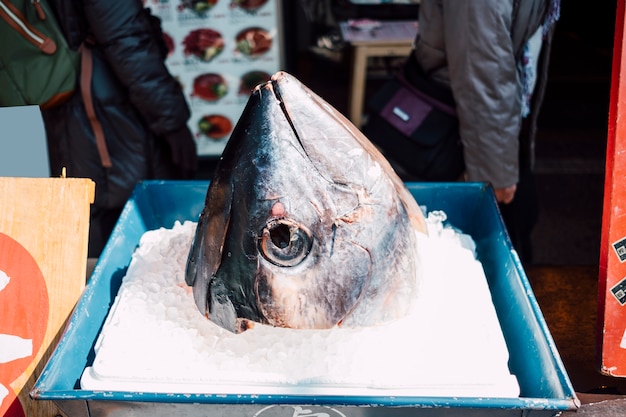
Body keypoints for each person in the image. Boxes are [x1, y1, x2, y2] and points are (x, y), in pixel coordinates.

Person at [42, 0, 198, 258]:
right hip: (106, 112)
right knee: (131, 233)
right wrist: (173, 123)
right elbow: (128, 43)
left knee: (95, 223)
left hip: (73, 107)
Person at [411, 0, 560, 263]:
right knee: (483, 251)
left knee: (514, 227)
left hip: (494, 126)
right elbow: (482, 70)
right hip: (464, 133)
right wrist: (495, 172)